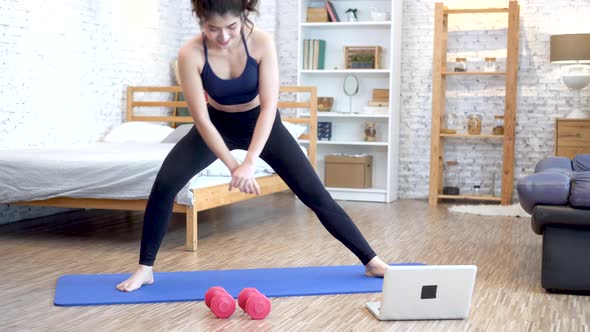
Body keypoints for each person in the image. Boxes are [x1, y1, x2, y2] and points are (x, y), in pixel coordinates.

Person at [116, 0, 389, 292]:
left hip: (262, 123)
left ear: (243, 16)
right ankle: (145, 269)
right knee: (165, 183)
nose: (223, 36)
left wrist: (249, 162)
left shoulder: (261, 42)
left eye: (231, 27)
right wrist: (234, 166)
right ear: (200, 21)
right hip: (217, 124)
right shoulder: (190, 54)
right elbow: (203, 121)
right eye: (212, 29)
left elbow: (270, 107)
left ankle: (371, 261)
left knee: (315, 195)